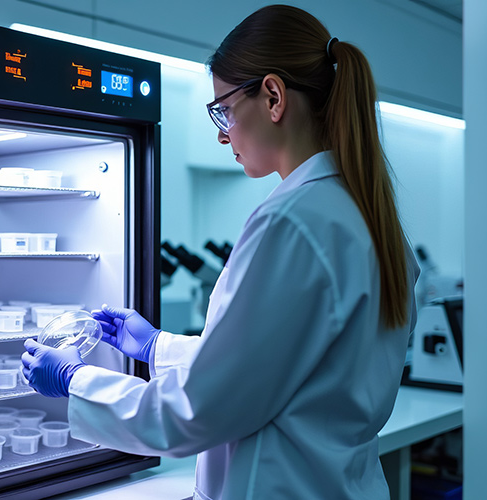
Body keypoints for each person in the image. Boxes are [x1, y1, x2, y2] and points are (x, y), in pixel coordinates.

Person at [21, 4, 421, 499]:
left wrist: (75, 379)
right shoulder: (365, 216)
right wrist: (155, 348)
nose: (221, 132)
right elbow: (279, 365)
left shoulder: (292, 222)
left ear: (273, 97)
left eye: (224, 109)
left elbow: (197, 413)